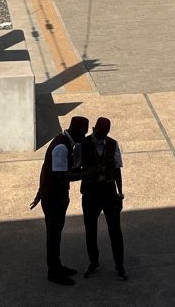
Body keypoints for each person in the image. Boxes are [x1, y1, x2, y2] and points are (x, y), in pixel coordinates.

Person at [30, 116, 92, 286]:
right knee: (54, 233)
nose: (84, 137)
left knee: (56, 232)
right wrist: (87, 175)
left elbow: (46, 169)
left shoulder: (64, 143)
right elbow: (62, 176)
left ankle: (57, 265)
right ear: (78, 131)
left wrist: (39, 191)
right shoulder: (61, 148)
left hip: (54, 195)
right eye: (84, 133)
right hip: (54, 198)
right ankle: (53, 271)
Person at [81, 117, 127, 281]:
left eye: (103, 133)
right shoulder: (83, 144)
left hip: (108, 193)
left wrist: (120, 193)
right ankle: (94, 262)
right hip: (90, 193)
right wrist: (87, 175)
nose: (100, 135)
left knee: (115, 231)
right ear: (94, 129)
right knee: (90, 229)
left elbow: (117, 170)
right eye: (98, 132)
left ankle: (119, 264)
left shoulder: (113, 145)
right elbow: (76, 166)